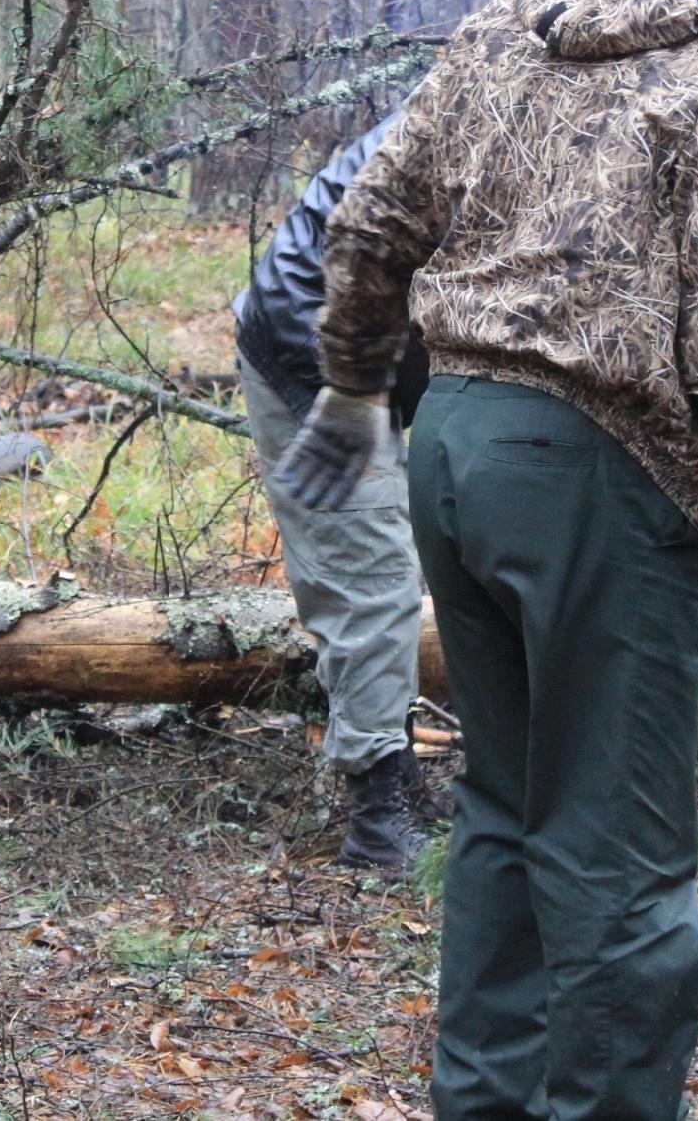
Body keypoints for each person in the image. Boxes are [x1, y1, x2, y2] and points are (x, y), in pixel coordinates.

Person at [276, 0, 698, 1119]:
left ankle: (486, 1101)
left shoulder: (498, 36)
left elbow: (370, 217)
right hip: (600, 473)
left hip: (456, 452)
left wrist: (355, 392)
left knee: (510, 811)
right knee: (624, 854)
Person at [234, 110, 444, 871]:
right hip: (313, 341)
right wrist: (355, 384)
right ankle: (378, 811)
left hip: (404, 349)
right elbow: (367, 231)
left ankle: (409, 777)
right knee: (373, 572)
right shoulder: (490, 89)